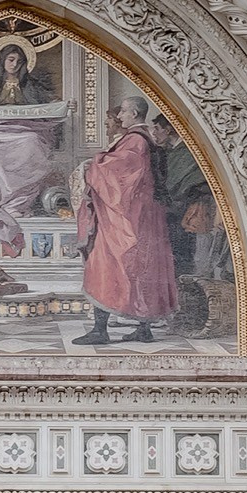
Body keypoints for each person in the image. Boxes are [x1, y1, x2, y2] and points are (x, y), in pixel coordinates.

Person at [76, 100, 178, 345]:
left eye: (122, 111)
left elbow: (118, 175)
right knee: (144, 268)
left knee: (104, 263)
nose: (120, 115)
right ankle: (144, 330)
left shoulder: (135, 140)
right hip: (145, 217)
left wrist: (93, 165)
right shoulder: (144, 139)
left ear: (134, 113)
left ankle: (100, 330)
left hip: (129, 218)